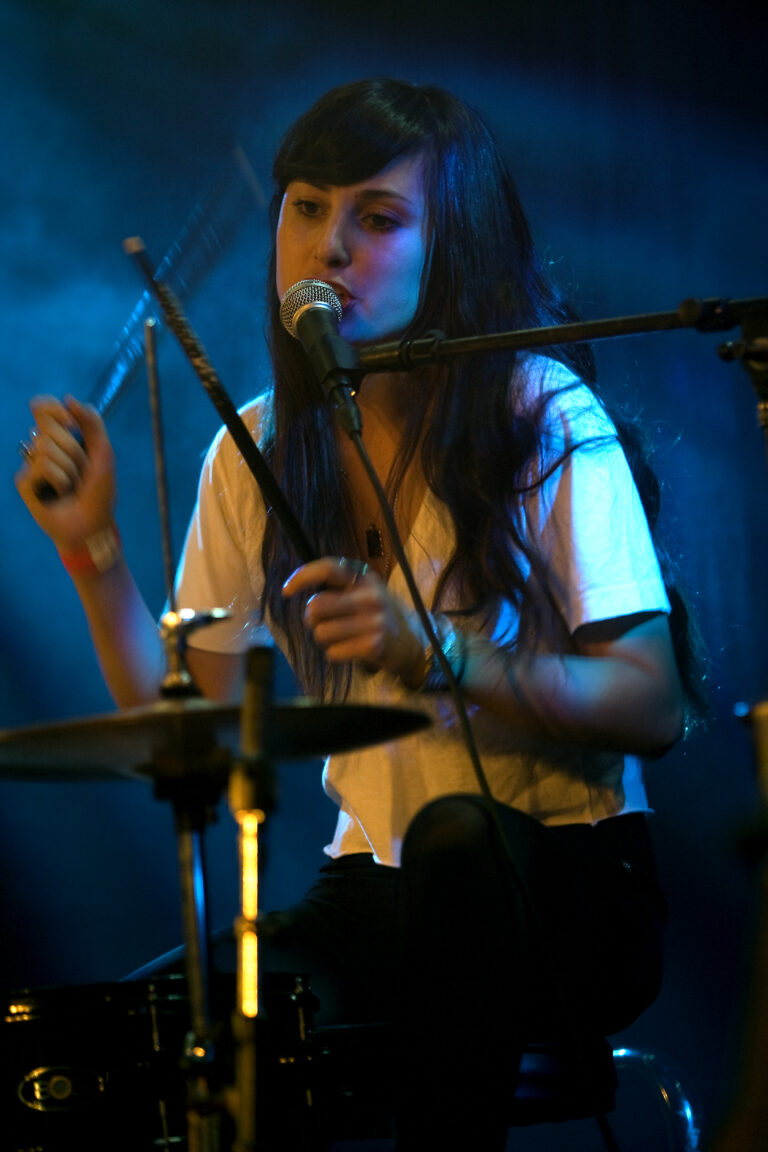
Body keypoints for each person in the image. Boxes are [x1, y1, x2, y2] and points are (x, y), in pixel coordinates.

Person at [16, 78, 705, 1150]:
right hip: (368, 899)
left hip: (567, 892)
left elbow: (650, 700)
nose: (329, 246)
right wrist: (89, 548)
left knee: (460, 836)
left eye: (377, 220)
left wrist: (439, 656)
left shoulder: (544, 412)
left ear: (454, 248)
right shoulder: (255, 447)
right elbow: (179, 707)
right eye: (306, 208)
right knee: (138, 1041)